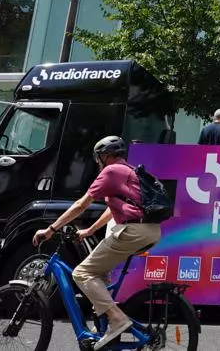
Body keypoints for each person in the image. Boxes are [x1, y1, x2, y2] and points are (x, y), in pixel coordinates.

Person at [32, 136, 161, 350]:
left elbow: (82, 204)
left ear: (106, 155)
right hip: (150, 230)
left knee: (81, 273)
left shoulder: (110, 172)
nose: (98, 161)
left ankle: (117, 320)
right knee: (99, 275)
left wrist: (51, 229)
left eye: (99, 157)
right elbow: (114, 209)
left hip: (133, 230)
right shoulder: (129, 172)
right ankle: (106, 326)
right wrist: (89, 231)